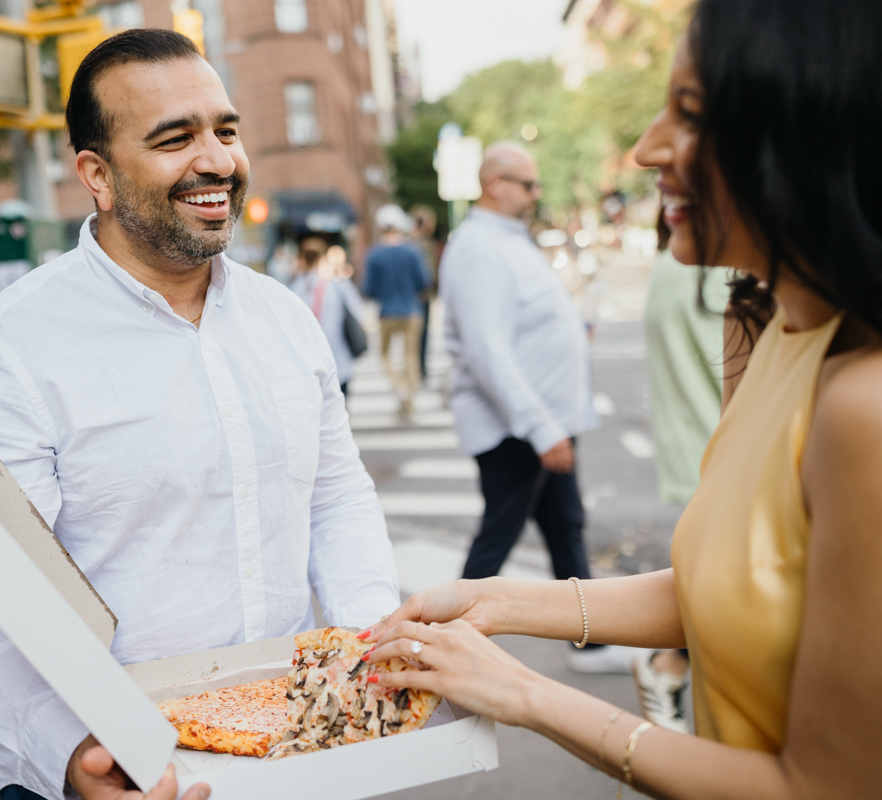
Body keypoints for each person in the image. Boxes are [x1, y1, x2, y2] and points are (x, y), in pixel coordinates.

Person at [362, 1, 882, 796]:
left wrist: (526, 693)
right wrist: (494, 601)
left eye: (690, 113)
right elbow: (720, 588)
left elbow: (823, 787)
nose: (646, 149)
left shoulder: (862, 406)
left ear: (802, 123)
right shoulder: (758, 319)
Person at [0, 29, 399, 800]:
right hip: (115, 767)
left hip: (290, 749)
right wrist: (74, 746)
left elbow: (334, 497)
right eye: (175, 139)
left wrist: (374, 650)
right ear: (98, 175)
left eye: (226, 130)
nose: (217, 160)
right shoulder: (7, 353)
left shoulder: (285, 319)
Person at [438, 142, 615, 671]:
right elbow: (487, 350)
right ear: (495, 183)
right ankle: (441, 649)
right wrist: (541, 430)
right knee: (498, 539)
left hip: (543, 420)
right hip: (517, 427)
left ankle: (592, 644)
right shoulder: (478, 247)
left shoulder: (506, 239)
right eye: (528, 184)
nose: (537, 193)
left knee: (565, 525)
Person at [635, 212, 732, 731]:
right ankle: (668, 665)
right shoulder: (724, 272)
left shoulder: (670, 263)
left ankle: (668, 667)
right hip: (731, 452)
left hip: (694, 448)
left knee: (718, 585)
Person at [363, 204, 429, 417]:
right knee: (410, 355)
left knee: (384, 354)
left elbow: (368, 289)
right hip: (412, 310)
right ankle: (409, 395)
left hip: (387, 312)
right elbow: (424, 281)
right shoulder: (413, 251)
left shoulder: (374, 254)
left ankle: (399, 386)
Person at [289, 236, 367, 398]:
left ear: (300, 259)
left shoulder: (291, 290)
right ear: (323, 259)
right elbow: (359, 313)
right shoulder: (338, 286)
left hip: (307, 364)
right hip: (338, 360)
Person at [408, 204, 441, 379]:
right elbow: (426, 271)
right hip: (419, 296)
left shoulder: (414, 241)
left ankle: (419, 369)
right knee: (419, 336)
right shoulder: (418, 243)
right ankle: (418, 370)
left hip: (420, 296)